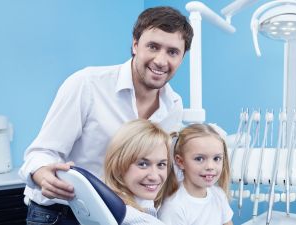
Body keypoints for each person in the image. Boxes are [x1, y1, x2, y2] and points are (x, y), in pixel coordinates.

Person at [19, 5, 193, 225]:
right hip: (61, 214)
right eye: (153, 46)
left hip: (117, 217)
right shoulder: (87, 85)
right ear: (135, 45)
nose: (160, 60)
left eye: (172, 52)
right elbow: (40, 153)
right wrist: (42, 173)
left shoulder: (173, 105)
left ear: (182, 56)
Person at [105, 119, 178, 225]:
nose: (154, 176)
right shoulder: (136, 219)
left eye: (161, 164)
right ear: (118, 165)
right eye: (143, 164)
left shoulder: (107, 202)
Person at [158, 124, 233, 225]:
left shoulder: (218, 195)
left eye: (216, 158)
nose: (210, 166)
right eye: (199, 159)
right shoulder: (174, 207)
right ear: (180, 162)